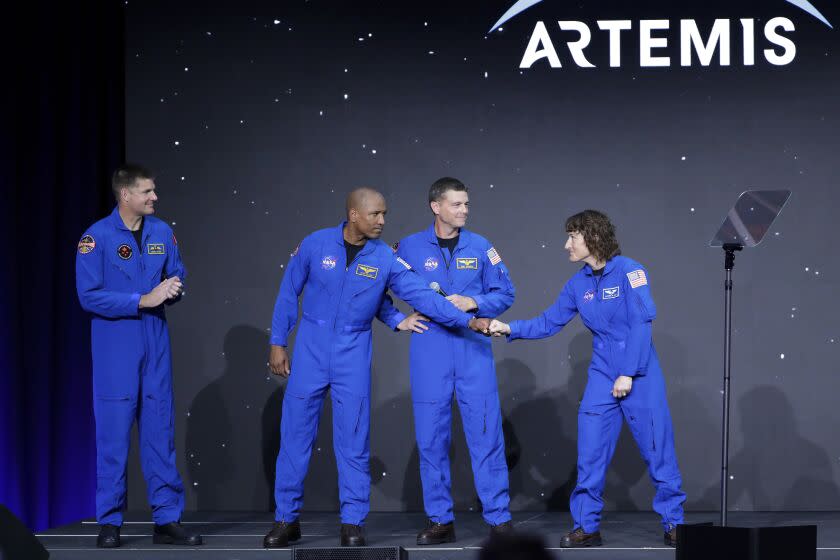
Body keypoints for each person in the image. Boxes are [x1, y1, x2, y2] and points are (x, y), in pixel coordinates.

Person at [264, 187, 491, 548]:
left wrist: (465, 321)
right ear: (354, 214)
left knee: (353, 439)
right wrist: (278, 341)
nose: (383, 221)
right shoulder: (314, 244)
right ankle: (286, 519)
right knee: (294, 438)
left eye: (384, 214)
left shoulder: (386, 257)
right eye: (375, 215)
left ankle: (352, 522)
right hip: (311, 348)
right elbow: (288, 292)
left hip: (353, 351)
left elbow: (421, 295)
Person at [488, 210, 685, 548]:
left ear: (592, 237)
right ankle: (587, 527)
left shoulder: (630, 271)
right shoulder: (578, 283)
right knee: (591, 451)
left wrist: (628, 372)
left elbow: (642, 323)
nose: (566, 245)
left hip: (639, 372)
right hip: (602, 374)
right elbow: (549, 322)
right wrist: (509, 328)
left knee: (657, 449)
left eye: (572, 237)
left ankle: (675, 523)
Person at [75, 164, 202, 548]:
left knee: (159, 433)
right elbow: (88, 295)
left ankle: (166, 519)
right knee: (113, 437)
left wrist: (173, 287)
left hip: (155, 344)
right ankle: (110, 522)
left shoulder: (162, 232)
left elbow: (176, 273)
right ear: (125, 195)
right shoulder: (95, 238)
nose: (154, 197)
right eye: (147, 192)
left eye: (154, 191)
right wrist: (141, 299)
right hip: (117, 345)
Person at [392, 177, 515, 544]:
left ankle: (498, 518)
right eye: (457, 204)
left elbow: (506, 292)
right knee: (431, 439)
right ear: (436, 206)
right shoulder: (409, 247)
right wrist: (397, 319)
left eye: (466, 204)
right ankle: (440, 520)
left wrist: (473, 302)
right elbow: (378, 287)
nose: (464, 210)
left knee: (485, 434)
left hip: (472, 350)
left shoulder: (481, 247)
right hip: (430, 350)